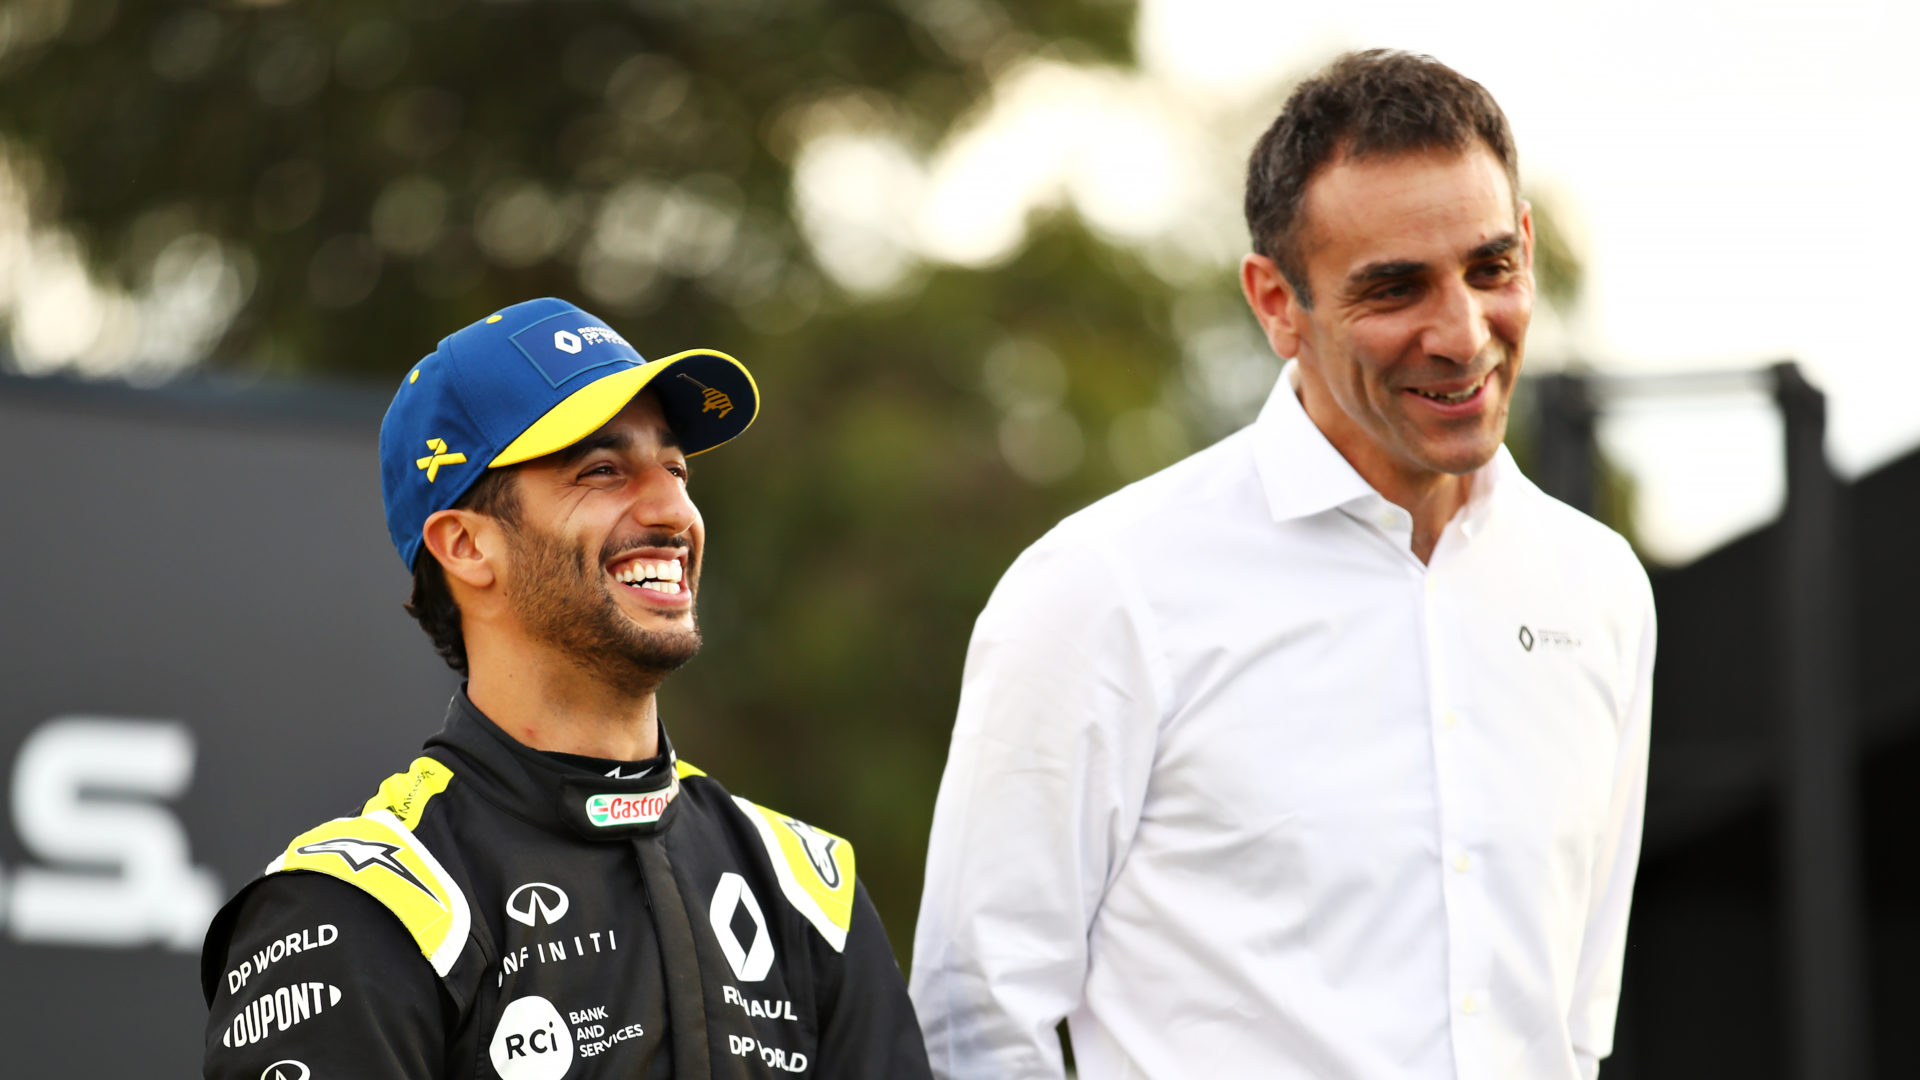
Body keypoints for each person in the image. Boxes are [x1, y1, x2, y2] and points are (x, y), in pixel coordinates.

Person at [910, 50, 1656, 1080]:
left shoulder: (1602, 588)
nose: (1461, 332)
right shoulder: (1102, 586)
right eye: (1394, 289)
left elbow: (1572, 1027)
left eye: (1490, 268)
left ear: (1526, 246)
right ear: (1275, 303)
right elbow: (974, 1016)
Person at [201, 297, 932, 1080]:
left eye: (676, 467)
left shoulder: (806, 888)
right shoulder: (356, 912)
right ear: (466, 546)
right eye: (603, 471)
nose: (672, 510)